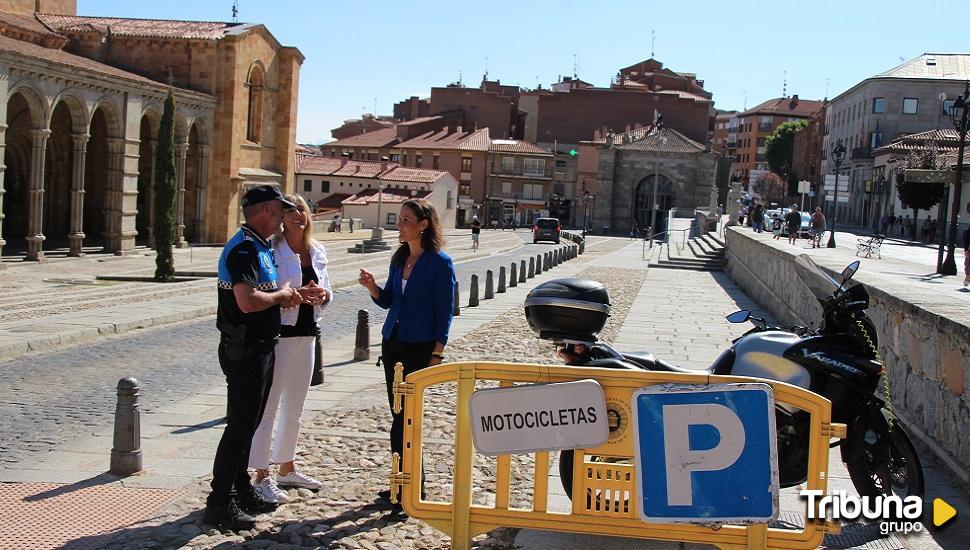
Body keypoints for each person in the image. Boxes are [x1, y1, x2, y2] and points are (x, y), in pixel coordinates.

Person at [204, 185, 307, 531]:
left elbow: (262, 294)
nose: (282, 218)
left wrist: (286, 296)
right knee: (239, 428)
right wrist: (282, 297)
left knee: (247, 426)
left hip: (258, 347)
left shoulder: (259, 247)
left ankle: (241, 489)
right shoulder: (246, 249)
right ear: (265, 210)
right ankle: (219, 503)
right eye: (280, 211)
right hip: (245, 349)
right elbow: (247, 301)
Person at [357, 198, 456, 517]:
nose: (399, 225)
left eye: (405, 220)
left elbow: (445, 313)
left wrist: (437, 354)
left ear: (423, 225)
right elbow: (388, 301)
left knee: (407, 419)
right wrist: (372, 287)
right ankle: (403, 483)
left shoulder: (440, 263)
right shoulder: (400, 258)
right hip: (393, 344)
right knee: (398, 415)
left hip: (420, 347)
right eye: (399, 219)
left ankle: (412, 488)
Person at [250, 195, 332, 504]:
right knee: (269, 406)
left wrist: (323, 294)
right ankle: (260, 474)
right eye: (291, 210)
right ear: (282, 218)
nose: (298, 215)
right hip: (281, 335)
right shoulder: (272, 251)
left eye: (302, 209)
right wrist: (293, 295)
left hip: (309, 334)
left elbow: (329, 290)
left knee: (295, 408)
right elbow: (267, 292)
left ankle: (286, 466)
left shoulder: (318, 250)